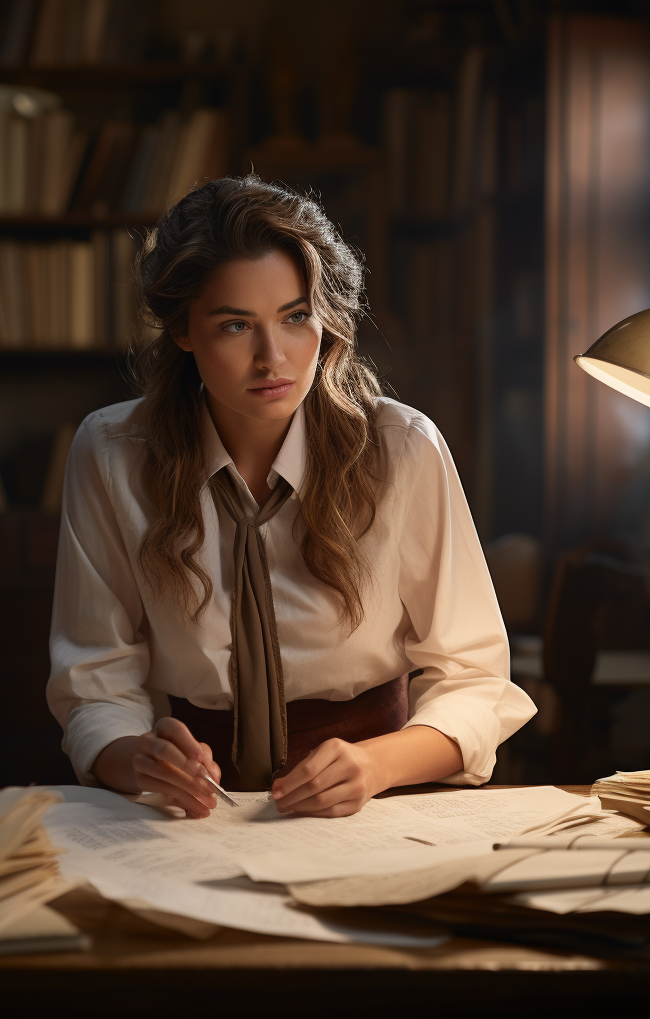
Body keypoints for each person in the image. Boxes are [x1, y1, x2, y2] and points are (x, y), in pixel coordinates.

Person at [47, 175, 536, 819]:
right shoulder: (112, 453)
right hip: (188, 817)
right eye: (233, 326)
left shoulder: (402, 449)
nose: (271, 357)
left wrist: (377, 764)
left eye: (295, 317)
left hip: (378, 804)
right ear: (184, 331)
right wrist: (133, 756)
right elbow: (93, 678)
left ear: (326, 319)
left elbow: (475, 679)